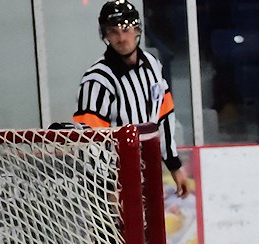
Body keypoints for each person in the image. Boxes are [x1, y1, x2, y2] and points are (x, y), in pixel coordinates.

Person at [74, 0, 190, 198]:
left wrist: (174, 165)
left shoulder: (152, 65)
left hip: (149, 172)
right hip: (115, 182)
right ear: (105, 35)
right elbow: (90, 139)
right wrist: (107, 187)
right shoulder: (97, 80)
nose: (121, 38)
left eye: (126, 29)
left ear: (137, 30)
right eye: (113, 32)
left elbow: (164, 115)